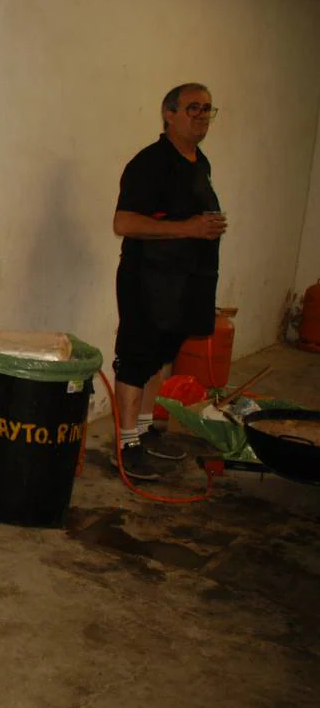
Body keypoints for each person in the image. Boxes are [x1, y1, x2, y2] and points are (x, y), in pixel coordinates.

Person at [112, 83, 226, 481]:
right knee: (136, 355)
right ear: (169, 114)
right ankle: (125, 445)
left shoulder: (199, 162)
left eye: (207, 109)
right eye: (192, 107)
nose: (200, 115)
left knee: (162, 354)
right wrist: (190, 228)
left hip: (185, 282)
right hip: (148, 279)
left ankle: (144, 431)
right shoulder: (150, 163)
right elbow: (123, 223)